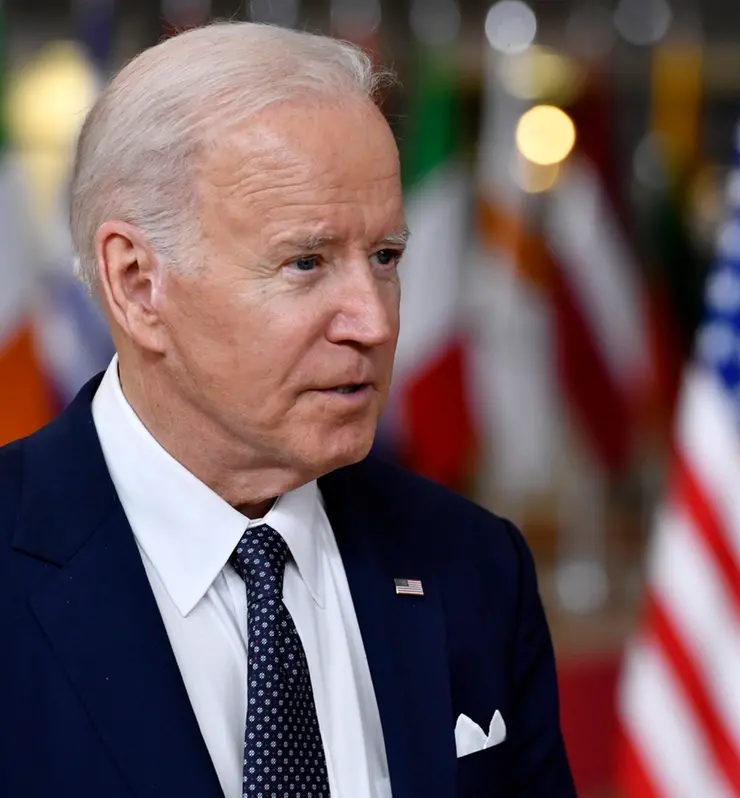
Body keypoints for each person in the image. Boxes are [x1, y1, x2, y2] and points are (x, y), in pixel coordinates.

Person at [0, 21, 576, 798]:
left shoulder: (473, 568)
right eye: (305, 263)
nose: (371, 323)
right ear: (137, 284)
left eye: (385, 258)